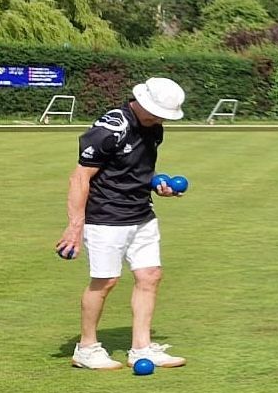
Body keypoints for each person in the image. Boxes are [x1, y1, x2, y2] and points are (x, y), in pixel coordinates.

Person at [56, 77, 189, 370]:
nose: (159, 119)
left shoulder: (154, 128)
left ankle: (142, 349)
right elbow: (80, 178)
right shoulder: (110, 129)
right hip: (107, 217)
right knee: (106, 281)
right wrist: (74, 227)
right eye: (156, 112)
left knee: (150, 276)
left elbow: (134, 171)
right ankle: (86, 348)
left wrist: (158, 184)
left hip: (141, 214)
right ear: (140, 101)